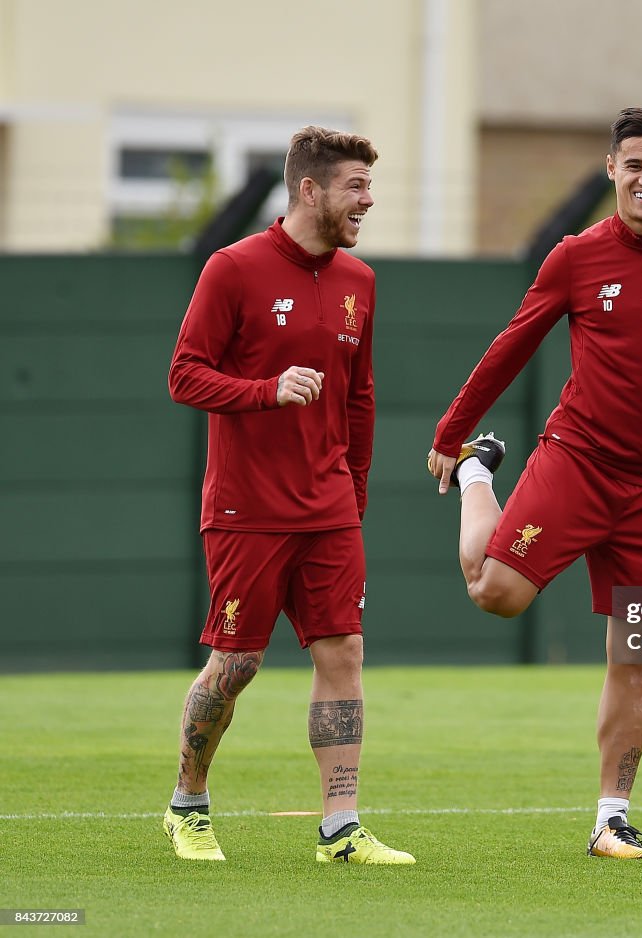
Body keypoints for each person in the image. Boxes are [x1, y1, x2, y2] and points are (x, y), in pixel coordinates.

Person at [427, 107, 642, 859]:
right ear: (612, 169)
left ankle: (611, 818)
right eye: (635, 165)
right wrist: (455, 434)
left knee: (636, 653)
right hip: (576, 461)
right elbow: (512, 346)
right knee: (495, 594)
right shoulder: (576, 257)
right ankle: (485, 471)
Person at [164, 125, 413, 865]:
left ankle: (340, 828)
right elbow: (184, 375)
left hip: (330, 508)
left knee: (344, 651)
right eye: (355, 187)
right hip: (246, 508)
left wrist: (354, 494)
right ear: (309, 190)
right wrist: (266, 391)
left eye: (370, 185)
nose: (368, 200)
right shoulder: (232, 269)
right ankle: (188, 806)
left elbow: (359, 399)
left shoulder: (360, 283)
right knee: (236, 662)